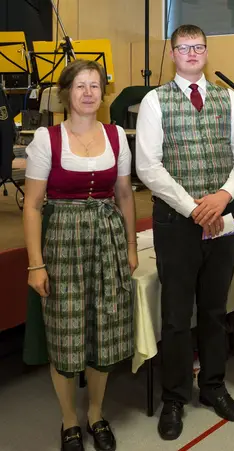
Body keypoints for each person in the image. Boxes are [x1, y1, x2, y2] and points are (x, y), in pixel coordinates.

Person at [135, 24, 234, 440]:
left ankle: (213, 386)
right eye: (184, 47)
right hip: (177, 222)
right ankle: (174, 396)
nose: (192, 53)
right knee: (175, 315)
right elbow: (148, 167)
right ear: (172, 54)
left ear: (206, 52)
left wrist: (222, 197)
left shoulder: (230, 99)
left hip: (224, 217)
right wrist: (194, 208)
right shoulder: (154, 101)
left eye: (198, 47)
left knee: (214, 309)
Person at [23, 59, 137, 451]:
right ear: (66, 93)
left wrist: (130, 247)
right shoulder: (47, 139)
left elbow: (125, 195)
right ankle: (69, 420)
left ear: (102, 93)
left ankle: (96, 414)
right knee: (65, 333)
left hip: (107, 240)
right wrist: (35, 264)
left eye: (95, 85)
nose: (88, 92)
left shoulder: (116, 136)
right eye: (80, 86)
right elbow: (32, 205)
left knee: (104, 330)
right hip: (62, 242)